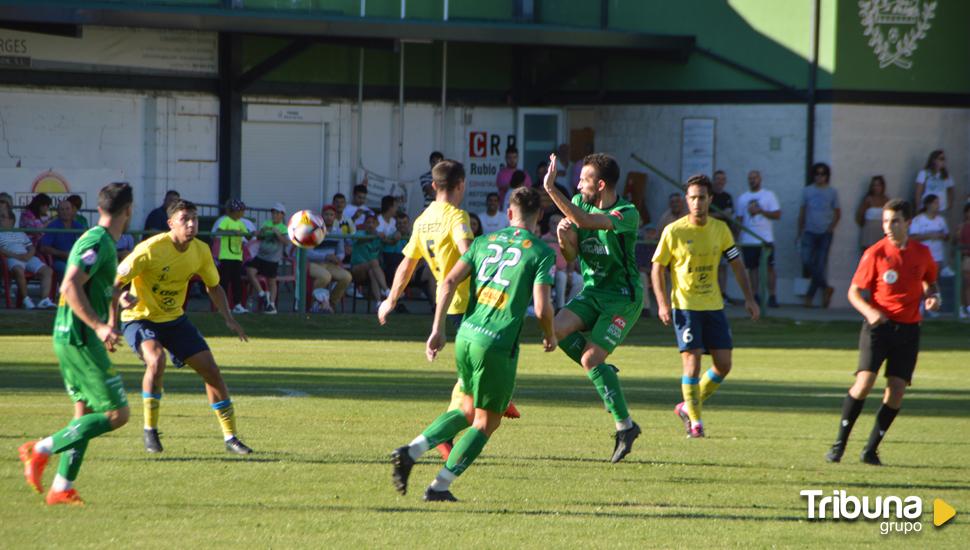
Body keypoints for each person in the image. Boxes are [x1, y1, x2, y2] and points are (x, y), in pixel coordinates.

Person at [390, 187, 556, 502]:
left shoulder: (483, 242)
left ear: (509, 213)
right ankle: (439, 487)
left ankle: (410, 451)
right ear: (541, 217)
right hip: (496, 343)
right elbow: (542, 307)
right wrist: (550, 333)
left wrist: (437, 329)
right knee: (485, 422)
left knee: (466, 408)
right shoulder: (541, 251)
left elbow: (449, 281)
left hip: (466, 335)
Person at [379, 159, 520, 459]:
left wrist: (391, 299)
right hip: (470, 303)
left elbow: (408, 263)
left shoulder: (422, 219)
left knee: (489, 359)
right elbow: (468, 252)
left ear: (433, 186)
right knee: (475, 373)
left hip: (453, 305)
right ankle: (447, 432)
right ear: (461, 185)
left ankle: (499, 396)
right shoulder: (458, 217)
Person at [18, 182, 133, 506]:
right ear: (129, 210)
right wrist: (99, 327)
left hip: (70, 336)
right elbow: (69, 286)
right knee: (117, 414)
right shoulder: (98, 240)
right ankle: (37, 450)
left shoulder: (98, 241)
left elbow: (90, 284)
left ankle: (61, 487)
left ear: (99, 208)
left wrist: (117, 298)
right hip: (80, 338)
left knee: (84, 414)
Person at [115, 199, 252, 455]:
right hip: (140, 318)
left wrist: (228, 317)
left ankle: (231, 437)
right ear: (171, 224)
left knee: (211, 371)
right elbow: (114, 281)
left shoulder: (200, 250)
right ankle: (150, 430)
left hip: (174, 320)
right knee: (156, 360)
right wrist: (121, 299)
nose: (191, 224)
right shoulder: (150, 249)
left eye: (194, 219)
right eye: (184, 220)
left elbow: (213, 286)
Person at [543, 152, 642, 463]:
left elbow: (586, 222)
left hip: (622, 297)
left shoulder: (627, 213)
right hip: (593, 291)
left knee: (589, 358)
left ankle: (625, 427)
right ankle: (602, 372)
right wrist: (563, 239)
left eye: (584, 180)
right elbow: (571, 257)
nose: (578, 184)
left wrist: (551, 189)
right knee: (554, 329)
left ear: (600, 185)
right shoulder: (579, 202)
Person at [824, 199, 939, 466]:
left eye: (894, 220)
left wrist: (932, 297)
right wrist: (870, 312)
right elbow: (853, 292)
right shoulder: (875, 253)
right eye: (886, 221)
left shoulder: (922, 253)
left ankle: (871, 450)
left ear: (908, 222)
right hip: (878, 327)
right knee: (864, 383)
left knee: (896, 390)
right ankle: (839, 444)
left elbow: (929, 282)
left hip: (909, 329)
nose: (888, 226)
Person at [651, 174, 760, 438]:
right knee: (692, 363)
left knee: (724, 365)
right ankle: (696, 423)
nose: (697, 203)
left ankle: (687, 406)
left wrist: (749, 298)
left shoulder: (720, 230)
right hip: (685, 307)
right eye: (692, 198)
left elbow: (736, 264)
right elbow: (658, 269)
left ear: (710, 199)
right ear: (686, 200)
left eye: (702, 198)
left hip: (713, 306)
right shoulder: (674, 231)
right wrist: (663, 304)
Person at [798, 162, 841, 308]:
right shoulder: (807, 191)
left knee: (820, 264)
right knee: (807, 260)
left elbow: (837, 212)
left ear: (827, 176)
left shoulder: (832, 192)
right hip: (809, 231)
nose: (819, 176)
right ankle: (826, 288)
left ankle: (809, 297)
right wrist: (799, 231)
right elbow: (803, 211)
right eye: (817, 173)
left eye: (823, 174)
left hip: (825, 232)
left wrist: (831, 227)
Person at [736, 170, 781, 307]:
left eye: (754, 178)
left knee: (769, 268)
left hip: (765, 239)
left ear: (760, 179)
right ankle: (754, 296)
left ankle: (772, 296)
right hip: (748, 240)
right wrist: (736, 238)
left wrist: (760, 211)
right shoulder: (743, 198)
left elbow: (777, 215)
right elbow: (739, 219)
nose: (752, 180)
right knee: (752, 269)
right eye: (750, 178)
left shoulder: (769, 195)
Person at [0, 201, 55, 309]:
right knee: (18, 270)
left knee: (48, 271)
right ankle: (26, 300)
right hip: (10, 258)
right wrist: (17, 256)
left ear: (11, 221)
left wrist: (28, 255)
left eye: (3, 217)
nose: (0, 219)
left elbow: (31, 247)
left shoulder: (20, 233)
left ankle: (44, 300)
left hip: (27, 257)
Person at [244, 202, 288, 315]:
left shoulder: (284, 228)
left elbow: (286, 242)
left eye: (277, 213)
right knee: (250, 270)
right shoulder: (266, 223)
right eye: (273, 212)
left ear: (282, 215)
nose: (274, 215)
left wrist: (277, 234)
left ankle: (271, 305)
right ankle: (262, 294)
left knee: (271, 282)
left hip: (272, 259)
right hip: (260, 256)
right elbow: (258, 237)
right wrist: (260, 232)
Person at [308, 205, 352, 313]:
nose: (329, 217)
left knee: (347, 277)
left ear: (335, 217)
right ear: (321, 217)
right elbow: (308, 253)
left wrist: (338, 258)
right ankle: (313, 303)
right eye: (326, 214)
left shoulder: (338, 232)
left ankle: (331, 304)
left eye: (331, 215)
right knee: (325, 277)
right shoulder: (314, 231)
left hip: (331, 264)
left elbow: (341, 252)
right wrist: (325, 256)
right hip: (314, 264)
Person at [214, 199, 251, 313]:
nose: (242, 214)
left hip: (237, 257)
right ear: (235, 211)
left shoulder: (241, 223)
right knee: (224, 281)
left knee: (237, 281)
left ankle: (237, 305)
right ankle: (222, 306)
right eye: (241, 211)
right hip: (226, 256)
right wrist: (232, 232)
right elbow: (218, 232)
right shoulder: (226, 221)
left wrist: (251, 234)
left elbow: (248, 236)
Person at [542, 212, 583, 310]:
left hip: (566, 270)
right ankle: (560, 307)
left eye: (558, 223)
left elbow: (571, 258)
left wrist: (569, 273)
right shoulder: (544, 240)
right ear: (549, 224)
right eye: (553, 223)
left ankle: (569, 306)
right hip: (552, 272)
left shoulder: (566, 238)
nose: (555, 226)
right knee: (561, 276)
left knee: (580, 280)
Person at [40, 199, 86, 278]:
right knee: (67, 271)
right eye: (62, 209)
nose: (65, 212)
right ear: (58, 212)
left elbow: (87, 240)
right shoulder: (53, 226)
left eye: (67, 209)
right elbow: (44, 248)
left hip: (77, 259)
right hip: (58, 261)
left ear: (72, 211)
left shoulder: (77, 225)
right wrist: (63, 254)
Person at [350, 214, 389, 302]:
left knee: (372, 272)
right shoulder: (359, 233)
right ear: (364, 224)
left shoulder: (379, 236)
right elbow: (358, 239)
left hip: (371, 270)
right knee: (374, 262)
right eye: (368, 223)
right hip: (357, 270)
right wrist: (374, 235)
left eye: (373, 223)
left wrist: (388, 237)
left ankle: (379, 303)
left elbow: (390, 241)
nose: (370, 225)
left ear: (377, 224)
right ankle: (386, 289)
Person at [909, 194, 949, 280]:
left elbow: (947, 237)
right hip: (922, 256)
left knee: (934, 281)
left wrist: (942, 235)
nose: (937, 205)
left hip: (937, 257)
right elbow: (912, 238)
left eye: (938, 203)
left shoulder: (941, 220)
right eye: (935, 203)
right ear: (927, 204)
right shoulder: (918, 220)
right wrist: (929, 235)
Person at [711, 170, 735, 303]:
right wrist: (721, 214)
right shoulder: (708, 196)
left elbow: (730, 214)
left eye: (722, 179)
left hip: (724, 236)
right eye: (718, 179)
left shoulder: (727, 196)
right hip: (710, 236)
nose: (720, 181)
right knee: (713, 265)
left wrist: (716, 215)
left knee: (724, 266)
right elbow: (705, 215)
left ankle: (722, 293)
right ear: (713, 180)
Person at [855, 175, 889, 253]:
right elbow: (859, 215)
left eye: (878, 185)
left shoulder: (886, 199)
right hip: (869, 231)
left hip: (881, 232)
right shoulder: (868, 199)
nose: (876, 187)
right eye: (874, 185)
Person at [914, 150, 953, 214]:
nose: (943, 161)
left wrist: (950, 203)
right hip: (927, 208)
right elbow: (918, 192)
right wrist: (918, 206)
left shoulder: (946, 175)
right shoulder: (924, 173)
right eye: (941, 159)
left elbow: (951, 189)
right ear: (934, 160)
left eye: (944, 159)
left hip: (941, 209)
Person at [959, 204, 970, 319]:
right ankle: (964, 306)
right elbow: (956, 241)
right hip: (967, 257)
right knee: (967, 282)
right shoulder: (962, 227)